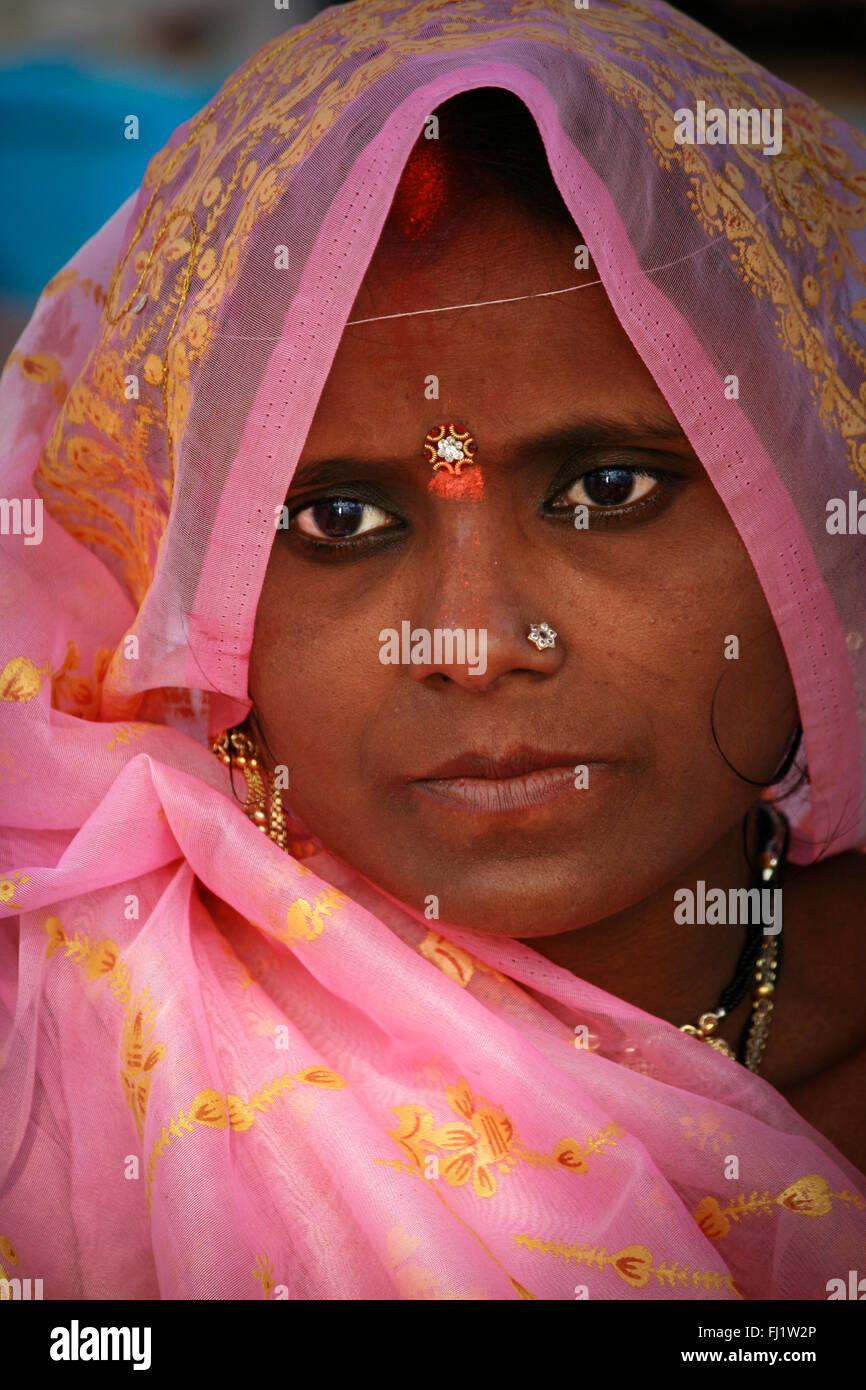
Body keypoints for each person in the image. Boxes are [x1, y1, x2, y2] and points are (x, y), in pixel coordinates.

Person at [1, 0, 864, 1302]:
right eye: (337, 517)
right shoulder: (68, 1043)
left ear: (812, 519)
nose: (471, 641)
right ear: (196, 595)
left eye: (605, 490)